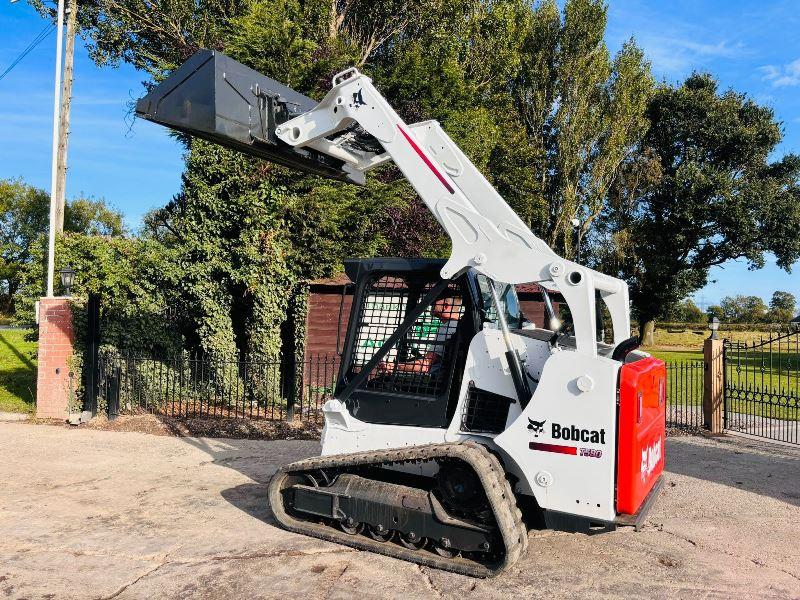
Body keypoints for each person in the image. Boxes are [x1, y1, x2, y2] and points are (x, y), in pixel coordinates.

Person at [378, 292, 463, 374]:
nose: (430, 304)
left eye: (434, 302)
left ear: (445, 306)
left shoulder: (448, 329)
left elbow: (425, 365)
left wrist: (395, 367)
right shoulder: (456, 326)